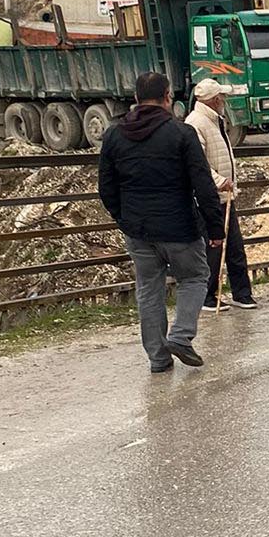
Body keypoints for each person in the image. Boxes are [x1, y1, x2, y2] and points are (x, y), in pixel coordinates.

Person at [97, 71, 224, 373]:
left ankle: (158, 358)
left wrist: (124, 218)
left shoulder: (114, 135)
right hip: (178, 227)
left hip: (138, 230)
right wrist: (216, 227)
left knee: (149, 290)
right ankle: (180, 336)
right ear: (167, 97)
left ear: (136, 99)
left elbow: (106, 187)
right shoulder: (181, 133)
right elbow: (203, 184)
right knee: (194, 277)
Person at [184, 78, 257, 311]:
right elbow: (198, 162)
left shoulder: (213, 120)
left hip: (225, 194)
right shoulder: (196, 123)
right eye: (222, 98)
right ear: (215, 100)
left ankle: (241, 293)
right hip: (212, 195)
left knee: (234, 246)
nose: (224, 101)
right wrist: (219, 181)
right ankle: (208, 295)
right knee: (214, 247)